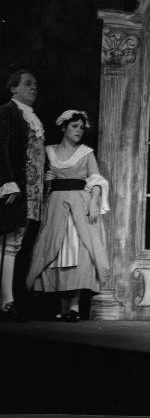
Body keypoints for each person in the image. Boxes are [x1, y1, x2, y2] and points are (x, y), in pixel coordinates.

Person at [27, 110, 109, 321]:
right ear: (63, 128)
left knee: (80, 251)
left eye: (81, 127)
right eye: (74, 126)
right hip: (56, 205)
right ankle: (63, 308)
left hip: (80, 204)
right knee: (58, 252)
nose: (79, 131)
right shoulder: (49, 152)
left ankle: (74, 307)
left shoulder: (86, 152)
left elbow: (97, 180)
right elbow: (40, 183)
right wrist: (47, 180)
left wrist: (93, 201)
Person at [0, 69, 45, 320]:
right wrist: (7, 182)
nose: (33, 87)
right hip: (14, 189)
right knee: (7, 244)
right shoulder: (8, 111)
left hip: (31, 193)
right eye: (28, 84)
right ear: (13, 88)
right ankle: (6, 302)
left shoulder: (32, 117)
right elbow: (1, 148)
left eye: (35, 84)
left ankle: (10, 299)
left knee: (16, 245)